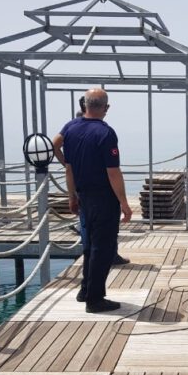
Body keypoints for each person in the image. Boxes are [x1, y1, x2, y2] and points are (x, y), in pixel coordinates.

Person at [52, 88, 132, 313]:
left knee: (89, 246)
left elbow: (55, 147)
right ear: (106, 108)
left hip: (83, 195)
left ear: (85, 105)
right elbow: (113, 172)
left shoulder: (70, 127)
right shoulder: (105, 133)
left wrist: (71, 194)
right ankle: (95, 300)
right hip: (104, 198)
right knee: (103, 248)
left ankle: (85, 290)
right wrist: (124, 203)